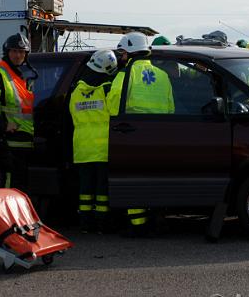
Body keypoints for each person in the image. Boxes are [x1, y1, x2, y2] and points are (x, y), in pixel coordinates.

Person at [107, 31, 174, 235]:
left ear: (129, 52)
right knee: (155, 180)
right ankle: (158, 221)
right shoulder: (163, 76)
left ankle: (137, 226)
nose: (121, 57)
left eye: (123, 53)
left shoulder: (125, 74)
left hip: (134, 135)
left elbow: (113, 105)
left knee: (134, 180)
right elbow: (170, 108)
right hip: (160, 135)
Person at [0, 33, 35, 191]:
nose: (18, 55)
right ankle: (7, 216)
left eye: (22, 52)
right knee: (11, 185)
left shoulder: (19, 74)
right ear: (7, 52)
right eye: (14, 51)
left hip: (22, 141)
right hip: (7, 142)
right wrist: (3, 126)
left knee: (20, 185)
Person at [69, 49, 118, 233]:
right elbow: (114, 112)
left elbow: (72, 115)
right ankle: (101, 223)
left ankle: (85, 223)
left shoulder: (76, 90)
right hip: (102, 147)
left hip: (82, 148)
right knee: (101, 189)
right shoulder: (106, 88)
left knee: (85, 189)